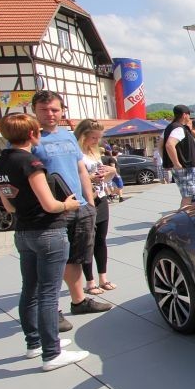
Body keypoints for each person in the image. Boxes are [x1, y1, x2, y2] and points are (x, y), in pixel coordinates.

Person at [0, 113, 88, 371]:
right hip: (48, 232)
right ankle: (52, 353)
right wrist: (68, 204)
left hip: (23, 232)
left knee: (30, 290)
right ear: (33, 134)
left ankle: (34, 343)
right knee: (48, 293)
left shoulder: (0, 164)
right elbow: (50, 204)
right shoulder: (31, 163)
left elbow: (9, 206)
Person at [30, 91, 110, 328]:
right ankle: (51, 310)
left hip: (79, 206)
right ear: (34, 111)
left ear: (62, 110)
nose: (50, 114)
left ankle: (79, 301)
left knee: (76, 257)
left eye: (54, 109)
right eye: (44, 110)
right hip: (51, 210)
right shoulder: (30, 138)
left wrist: (89, 202)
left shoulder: (67, 136)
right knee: (52, 261)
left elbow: (80, 169)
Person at [74, 119, 117, 296]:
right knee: (87, 242)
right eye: (93, 137)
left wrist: (110, 172)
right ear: (83, 136)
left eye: (98, 138)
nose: (96, 141)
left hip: (100, 197)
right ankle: (89, 281)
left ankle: (103, 278)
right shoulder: (76, 153)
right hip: (85, 200)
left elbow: (104, 176)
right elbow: (75, 178)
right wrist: (90, 178)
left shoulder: (94, 151)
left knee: (101, 240)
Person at [162, 104, 195, 209]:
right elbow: (169, 145)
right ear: (184, 115)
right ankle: (183, 216)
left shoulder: (170, 127)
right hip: (185, 167)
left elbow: (161, 144)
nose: (190, 117)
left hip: (183, 167)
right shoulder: (178, 128)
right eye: (189, 114)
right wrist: (176, 163)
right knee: (187, 197)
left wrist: (168, 161)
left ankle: (186, 214)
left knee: (187, 196)